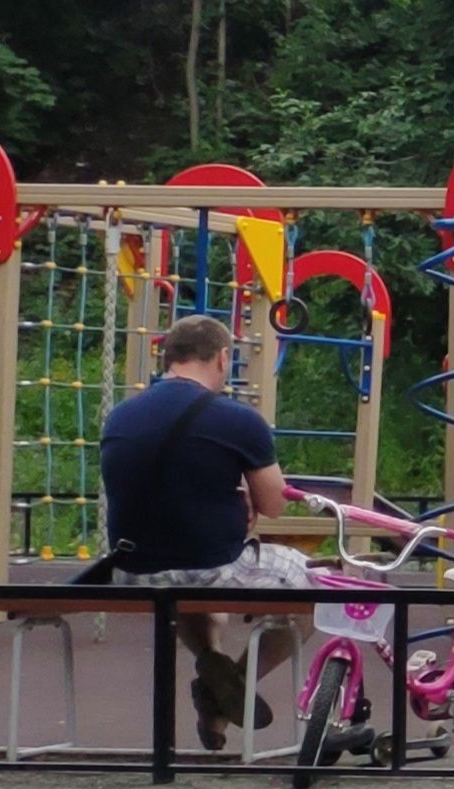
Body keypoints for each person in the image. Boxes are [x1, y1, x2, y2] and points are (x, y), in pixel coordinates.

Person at [100, 314, 313, 751]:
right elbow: (274, 505)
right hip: (206, 567)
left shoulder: (120, 416)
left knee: (196, 594)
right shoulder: (236, 419)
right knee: (317, 589)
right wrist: (244, 493)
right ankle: (231, 684)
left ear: (168, 358)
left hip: (133, 569)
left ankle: (212, 664)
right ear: (221, 357)